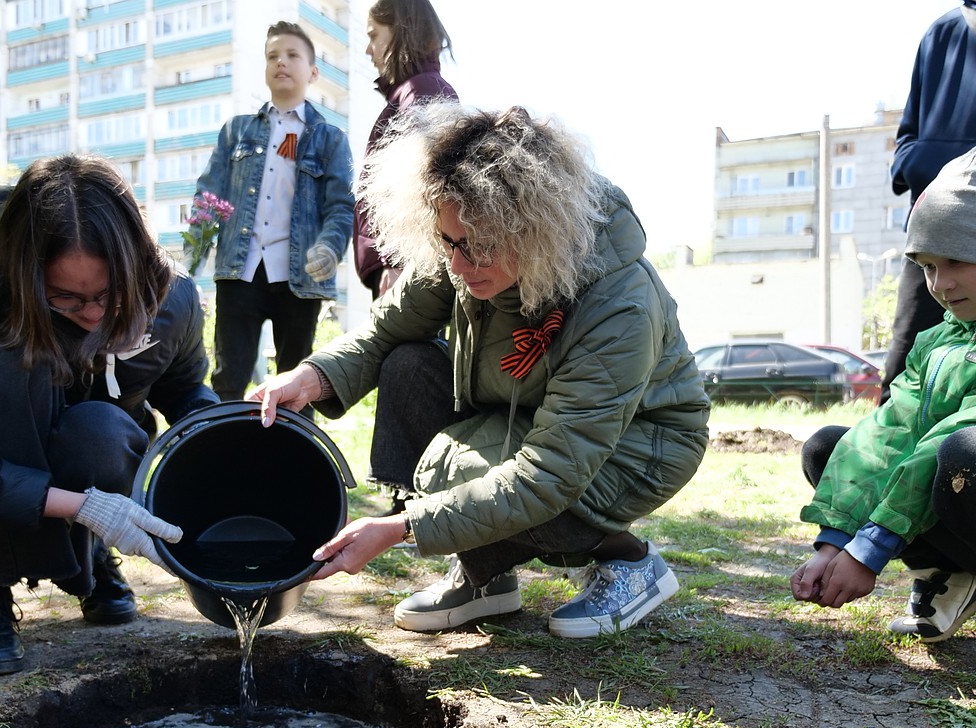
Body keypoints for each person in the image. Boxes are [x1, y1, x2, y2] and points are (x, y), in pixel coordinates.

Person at [251, 104, 709, 639]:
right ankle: (484, 573)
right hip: (514, 412)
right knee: (408, 364)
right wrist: (312, 375)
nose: (459, 267)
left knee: (484, 478)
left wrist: (405, 527)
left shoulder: (619, 306)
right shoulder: (465, 239)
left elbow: (549, 474)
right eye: (447, 244)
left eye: (479, 250)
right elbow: (385, 331)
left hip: (639, 441)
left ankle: (630, 562)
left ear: (537, 230)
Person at [0, 155, 219, 677]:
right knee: (20, 363)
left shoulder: (171, 298)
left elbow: (185, 393)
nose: (92, 314)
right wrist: (79, 506)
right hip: (7, 440)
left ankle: (86, 559)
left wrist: (227, 448)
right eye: (65, 297)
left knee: (101, 431)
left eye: (109, 295)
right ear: (28, 274)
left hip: (104, 451)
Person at [792, 138, 976, 682]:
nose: (939, 284)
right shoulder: (941, 339)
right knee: (831, 447)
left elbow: (967, 428)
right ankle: (949, 572)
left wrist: (871, 546)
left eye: (958, 261)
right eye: (926, 264)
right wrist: (836, 538)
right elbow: (889, 433)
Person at [187, 21, 353, 406]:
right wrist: (193, 255)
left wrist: (329, 248)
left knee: (298, 383)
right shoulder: (236, 132)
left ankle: (294, 461)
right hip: (240, 269)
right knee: (228, 379)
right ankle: (223, 453)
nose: (282, 62)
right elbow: (207, 196)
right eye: (273, 56)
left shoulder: (331, 139)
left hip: (299, 276)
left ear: (313, 72)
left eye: (293, 55)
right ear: (265, 69)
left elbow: (341, 206)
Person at [882, 0, 976, 402]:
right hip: (936, 231)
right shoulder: (943, 29)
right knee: (905, 370)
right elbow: (908, 133)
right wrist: (917, 166)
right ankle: (887, 457)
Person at [357, 0, 457, 300]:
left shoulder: (422, 90)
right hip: (402, 267)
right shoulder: (411, 92)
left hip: (408, 269)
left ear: (401, 32)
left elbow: (424, 185)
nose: (368, 49)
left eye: (374, 35)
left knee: (409, 350)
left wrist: (396, 260)